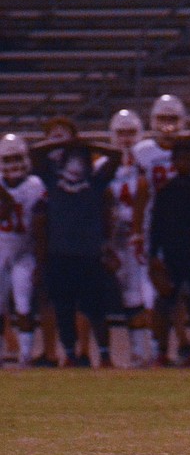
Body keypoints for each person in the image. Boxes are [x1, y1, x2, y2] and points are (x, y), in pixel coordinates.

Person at [30, 118, 122, 368]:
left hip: (90, 250)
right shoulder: (51, 174)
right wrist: (62, 142)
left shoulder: (95, 178)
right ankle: (70, 353)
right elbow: (34, 152)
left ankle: (104, 354)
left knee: (96, 307)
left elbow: (116, 155)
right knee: (63, 307)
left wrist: (85, 144)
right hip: (60, 250)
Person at [148, 138, 190, 368]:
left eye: (188, 158)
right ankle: (162, 351)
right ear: (173, 162)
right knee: (165, 302)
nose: (184, 163)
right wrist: (154, 256)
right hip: (172, 254)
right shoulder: (166, 192)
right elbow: (156, 227)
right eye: (180, 158)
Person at [104, 109, 154, 368]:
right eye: (121, 133)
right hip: (120, 239)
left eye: (130, 133)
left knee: (151, 292)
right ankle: (137, 352)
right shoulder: (103, 165)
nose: (125, 139)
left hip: (148, 234)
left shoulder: (148, 160)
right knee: (130, 295)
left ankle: (155, 351)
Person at [0, 134, 47, 368]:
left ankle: (25, 355)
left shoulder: (34, 185)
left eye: (16, 158)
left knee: (23, 305)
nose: (11, 164)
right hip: (1, 249)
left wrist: (40, 260)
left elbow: (40, 227)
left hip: (25, 249)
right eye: (6, 159)